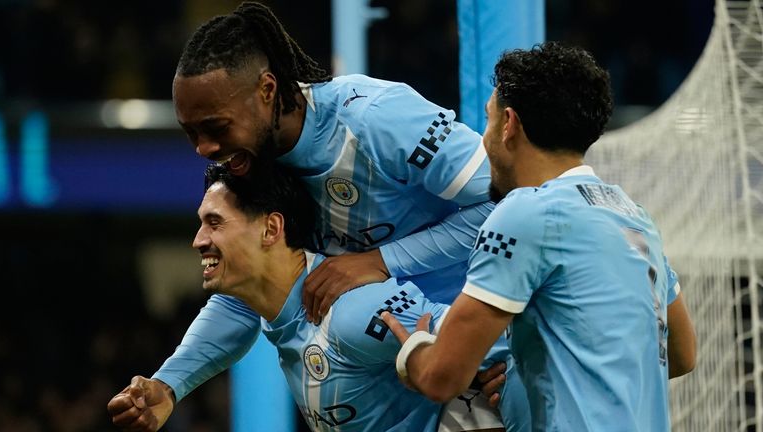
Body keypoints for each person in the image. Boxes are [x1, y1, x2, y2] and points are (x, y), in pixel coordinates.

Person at [122, 0, 520, 422]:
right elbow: (247, 286)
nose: (204, 149)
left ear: (268, 90)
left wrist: (382, 260)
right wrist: (169, 383)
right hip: (413, 372)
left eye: (216, 128)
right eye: (191, 133)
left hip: (481, 354)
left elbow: (507, 204)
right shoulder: (261, 164)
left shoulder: (376, 120)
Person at [382, 41, 697, 431]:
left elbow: (441, 378)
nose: (484, 139)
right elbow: (682, 355)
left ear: (509, 125)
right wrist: (530, 374)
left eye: (488, 120)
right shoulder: (632, 215)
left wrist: (413, 349)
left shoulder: (523, 214)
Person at [108, 163, 528, 431]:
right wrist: (168, 386)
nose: (199, 240)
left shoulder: (351, 311)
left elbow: (488, 338)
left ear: (271, 229)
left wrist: (510, 375)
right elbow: (226, 317)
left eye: (214, 223)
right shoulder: (270, 307)